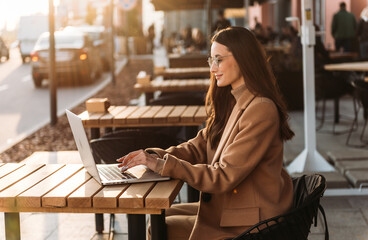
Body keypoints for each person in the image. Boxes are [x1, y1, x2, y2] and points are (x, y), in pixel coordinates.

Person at [117, 27, 294, 240]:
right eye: (211, 60)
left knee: (159, 226)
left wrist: (164, 166)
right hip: (233, 208)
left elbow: (224, 175)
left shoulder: (260, 109)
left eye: (219, 60)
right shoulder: (233, 100)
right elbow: (199, 145)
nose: (213, 69)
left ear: (242, 59)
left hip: (252, 221)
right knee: (159, 215)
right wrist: (154, 158)